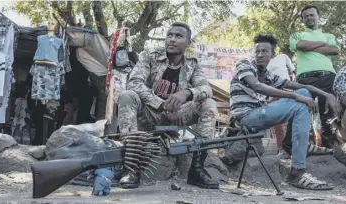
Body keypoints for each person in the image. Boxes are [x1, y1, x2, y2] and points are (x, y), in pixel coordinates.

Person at [229, 33, 342, 190]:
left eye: (265, 51)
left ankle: (295, 146)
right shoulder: (245, 64)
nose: (260, 55)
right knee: (300, 102)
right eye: (257, 51)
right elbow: (257, 86)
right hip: (245, 117)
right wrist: (293, 95)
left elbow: (303, 87)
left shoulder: (269, 76)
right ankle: (297, 171)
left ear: (272, 55)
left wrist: (328, 95)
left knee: (304, 93)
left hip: (260, 114)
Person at [117, 22, 219, 189]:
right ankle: (131, 169)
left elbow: (206, 88)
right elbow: (134, 82)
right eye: (169, 35)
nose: (172, 39)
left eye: (178, 36)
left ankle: (197, 169)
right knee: (127, 96)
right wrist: (163, 105)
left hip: (179, 116)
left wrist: (186, 93)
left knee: (209, 103)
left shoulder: (192, 63)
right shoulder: (150, 55)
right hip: (151, 113)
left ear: (188, 42)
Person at [284, 5, 341, 151]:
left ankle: (331, 148)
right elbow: (300, 45)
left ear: (318, 17)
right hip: (305, 79)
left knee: (329, 113)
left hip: (328, 76)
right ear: (302, 20)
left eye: (312, 15)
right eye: (306, 16)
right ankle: (288, 147)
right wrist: (322, 45)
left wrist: (309, 47)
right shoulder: (297, 35)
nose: (309, 18)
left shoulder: (329, 36)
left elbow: (334, 49)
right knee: (298, 109)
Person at [266, 54, 295, 157]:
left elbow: (293, 71)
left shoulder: (283, 56)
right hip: (272, 92)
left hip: (286, 90)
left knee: (290, 122)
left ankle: (291, 149)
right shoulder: (263, 60)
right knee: (277, 124)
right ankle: (281, 149)